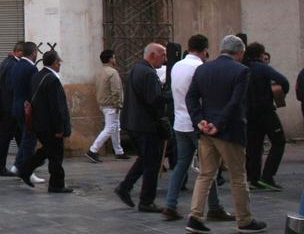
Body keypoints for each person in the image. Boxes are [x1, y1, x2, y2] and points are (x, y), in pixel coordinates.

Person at [185, 35, 267, 233]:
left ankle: (195, 216)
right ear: (239, 52)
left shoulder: (203, 68)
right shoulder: (241, 70)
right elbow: (235, 102)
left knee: (205, 174)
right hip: (229, 131)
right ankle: (244, 220)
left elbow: (191, 97)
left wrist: (200, 120)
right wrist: (218, 124)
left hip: (206, 131)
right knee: (238, 176)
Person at [161, 35, 233, 222]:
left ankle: (170, 204)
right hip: (197, 122)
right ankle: (215, 207)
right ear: (205, 50)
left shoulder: (177, 66)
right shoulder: (200, 68)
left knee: (182, 165)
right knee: (208, 167)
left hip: (180, 122)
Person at [115, 43, 170, 213]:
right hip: (145, 125)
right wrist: (170, 94)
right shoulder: (147, 72)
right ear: (153, 55)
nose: (165, 60)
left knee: (146, 158)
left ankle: (125, 187)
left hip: (134, 123)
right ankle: (146, 201)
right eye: (163, 55)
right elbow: (154, 100)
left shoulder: (137, 69)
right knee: (152, 163)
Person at [18, 51, 71, 193]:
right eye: (59, 62)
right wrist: (60, 128)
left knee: (46, 151)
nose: (59, 65)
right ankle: (56, 184)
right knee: (56, 154)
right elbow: (56, 107)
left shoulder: (38, 75)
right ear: (54, 63)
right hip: (50, 126)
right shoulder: (52, 80)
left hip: (39, 123)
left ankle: (24, 170)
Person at [243, 42, 289, 191]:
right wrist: (278, 93)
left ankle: (253, 179)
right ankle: (268, 176)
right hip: (266, 111)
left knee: (254, 146)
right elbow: (283, 81)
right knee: (279, 141)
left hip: (249, 113)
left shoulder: (243, 69)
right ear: (261, 54)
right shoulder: (263, 68)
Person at [8, 42, 44, 183]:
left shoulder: (15, 65)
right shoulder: (31, 68)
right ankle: (28, 171)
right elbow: (34, 91)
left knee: (25, 138)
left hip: (17, 106)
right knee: (30, 139)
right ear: (34, 53)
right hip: (27, 108)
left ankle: (17, 166)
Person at [86, 49, 127, 162]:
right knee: (110, 128)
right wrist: (118, 104)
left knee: (115, 127)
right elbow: (116, 90)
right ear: (110, 59)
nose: (115, 59)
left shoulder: (99, 72)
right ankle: (93, 150)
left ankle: (119, 151)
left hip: (104, 103)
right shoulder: (112, 72)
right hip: (111, 104)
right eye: (114, 57)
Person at [0, 41, 24, 176]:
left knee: (20, 137)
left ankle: (23, 164)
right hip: (10, 109)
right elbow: (12, 87)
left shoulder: (6, 62)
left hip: (8, 107)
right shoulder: (13, 65)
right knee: (5, 138)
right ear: (19, 53)